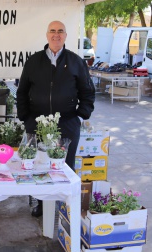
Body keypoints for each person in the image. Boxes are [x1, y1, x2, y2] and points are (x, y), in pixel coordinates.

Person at [16, 20, 95, 217]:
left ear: (66, 36)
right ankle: (41, 205)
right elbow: (22, 91)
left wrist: (81, 113)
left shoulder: (76, 61)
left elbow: (87, 91)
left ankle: (64, 207)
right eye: (53, 31)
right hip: (37, 124)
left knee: (64, 167)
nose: (56, 35)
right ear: (47, 35)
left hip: (66, 124)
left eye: (60, 31)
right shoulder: (34, 61)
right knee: (39, 166)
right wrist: (25, 117)